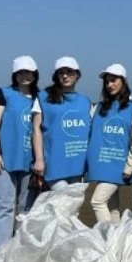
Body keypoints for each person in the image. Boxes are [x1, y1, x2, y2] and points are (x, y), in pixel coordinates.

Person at [0, 56, 39, 250]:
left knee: (27, 207)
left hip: (31, 160)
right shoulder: (4, 93)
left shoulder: (40, 97)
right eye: (21, 72)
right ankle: (1, 250)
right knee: (3, 206)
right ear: (15, 75)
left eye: (29, 72)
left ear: (35, 74)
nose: (25, 76)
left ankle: (20, 249)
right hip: (5, 158)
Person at [86, 64, 132, 223]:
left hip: (118, 165)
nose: (110, 85)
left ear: (124, 81)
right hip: (100, 164)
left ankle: (109, 241)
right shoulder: (98, 108)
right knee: (113, 208)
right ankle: (116, 241)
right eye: (107, 82)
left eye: (114, 80)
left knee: (97, 201)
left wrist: (130, 164)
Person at [32, 56, 91, 192]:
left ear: (77, 75)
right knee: (63, 201)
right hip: (54, 161)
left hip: (78, 162)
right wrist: (39, 159)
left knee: (73, 208)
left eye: (69, 72)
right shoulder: (43, 97)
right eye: (61, 72)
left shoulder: (85, 101)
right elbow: (36, 129)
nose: (65, 76)